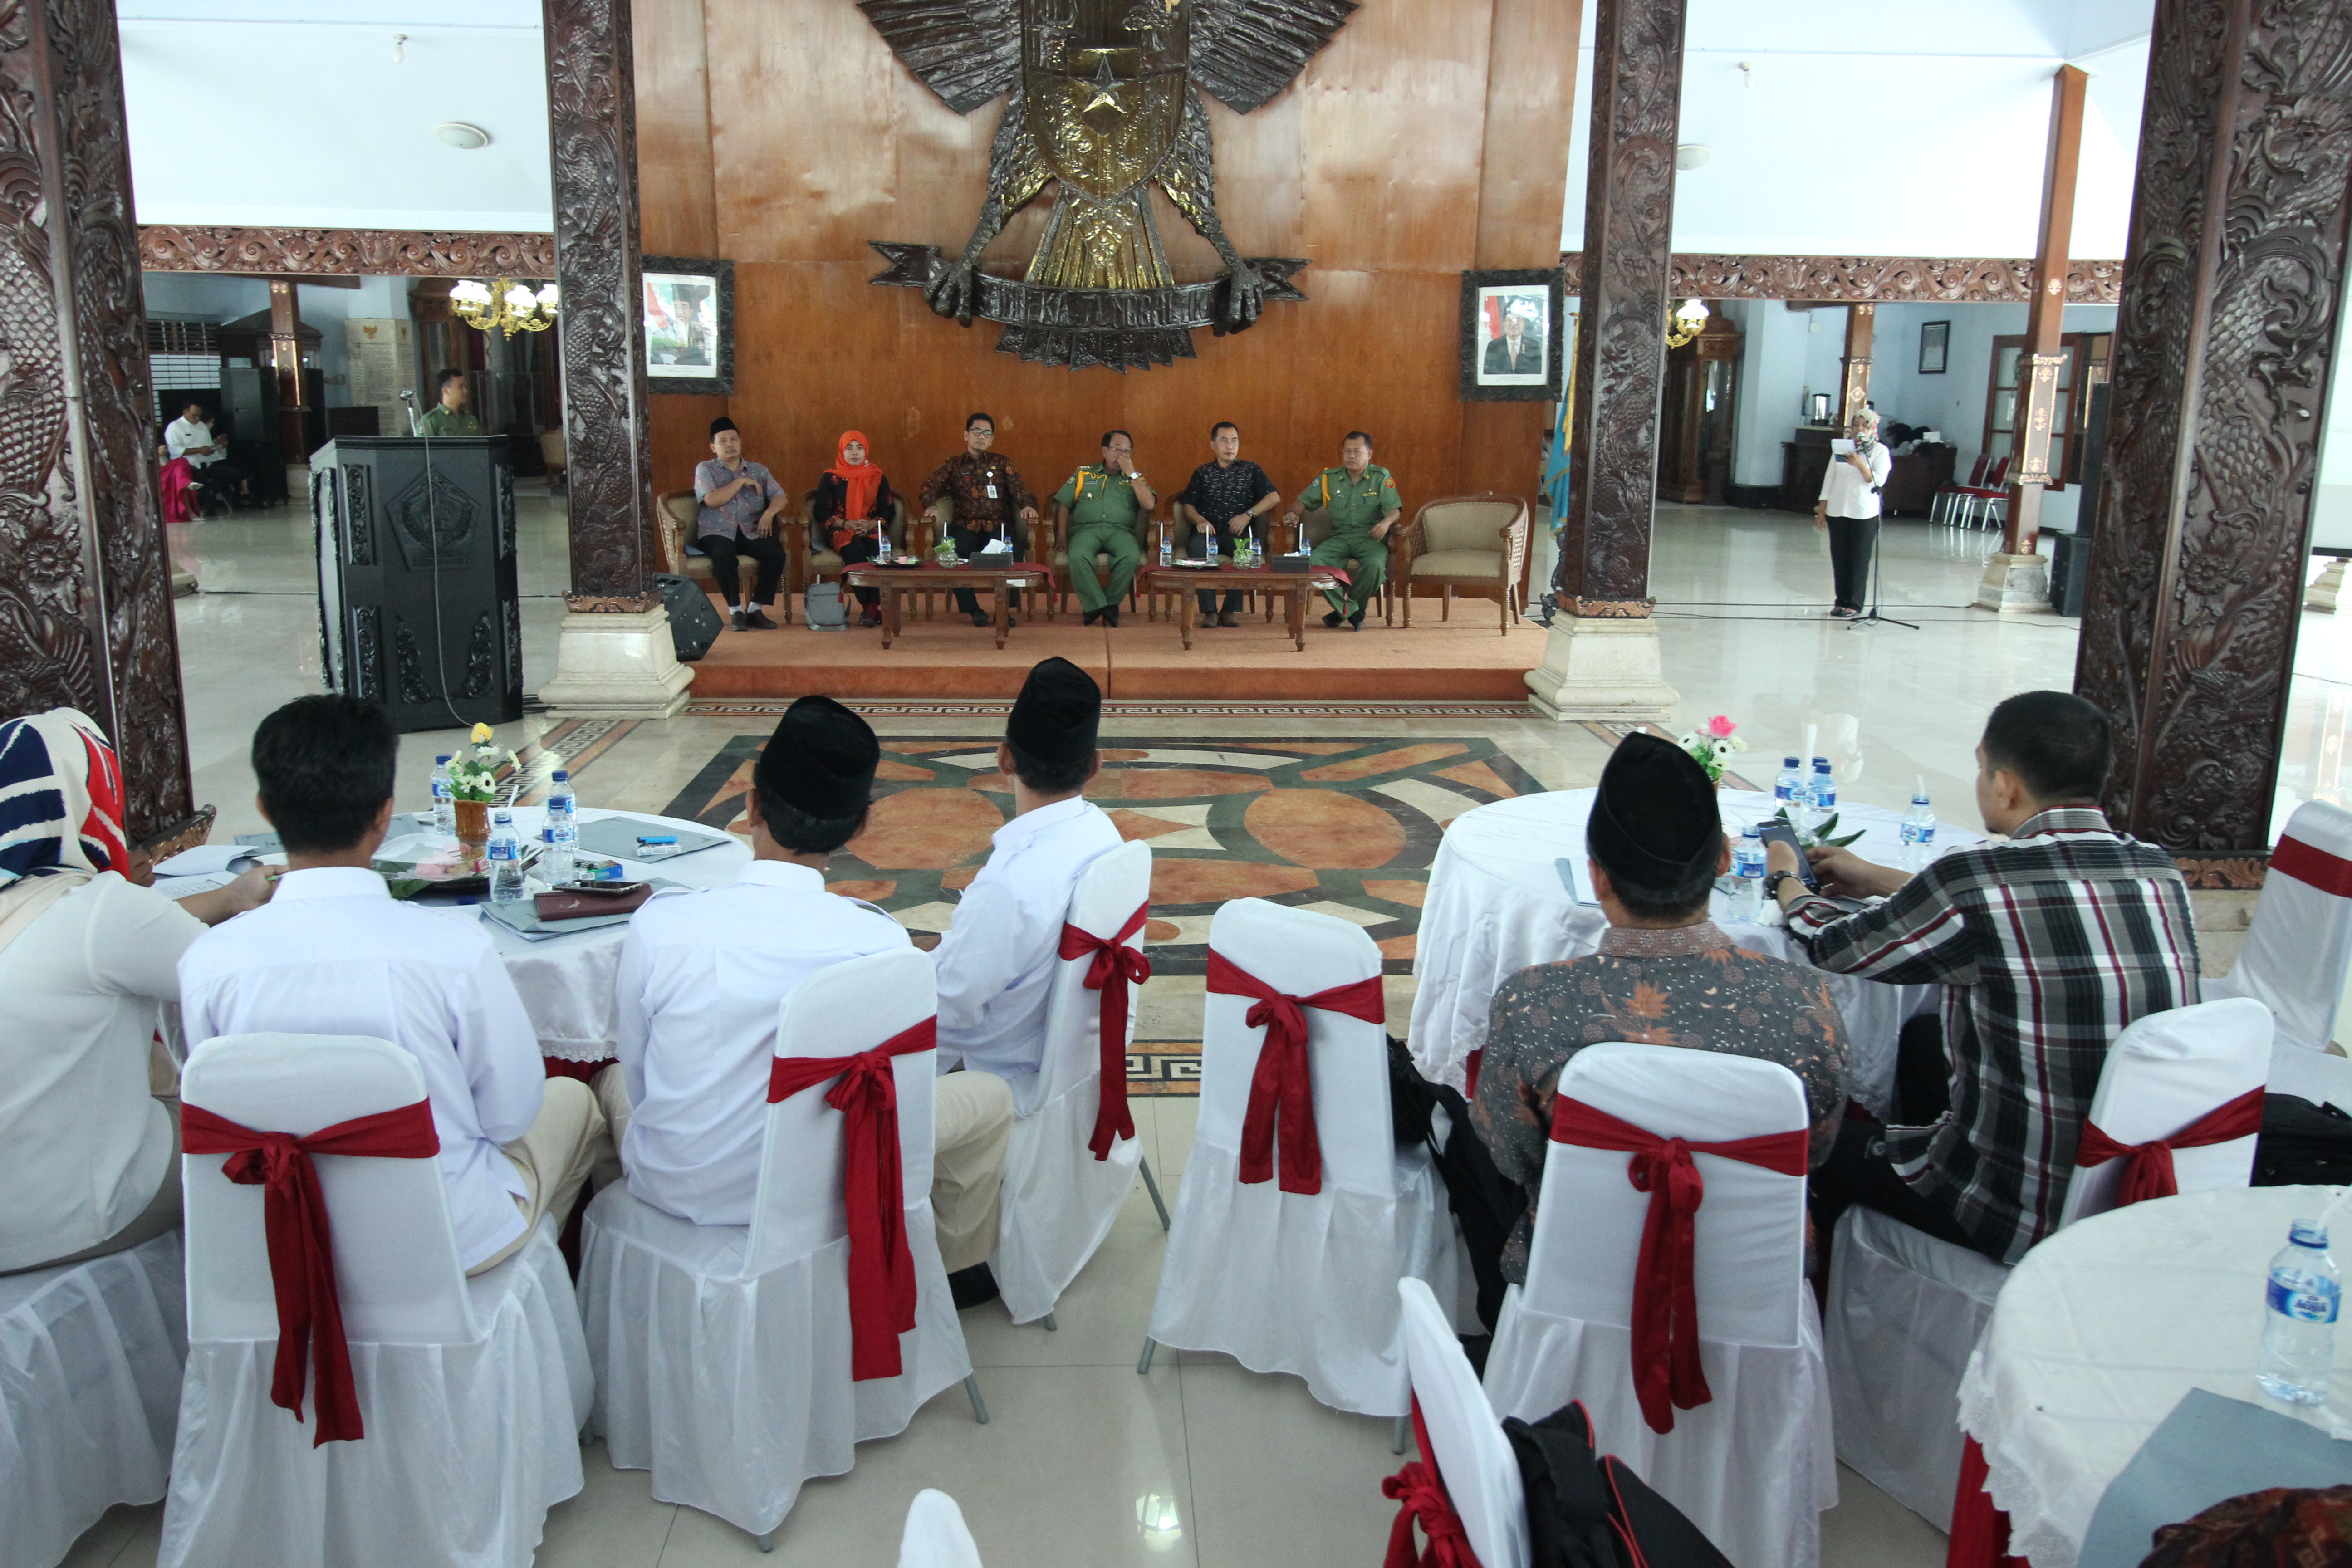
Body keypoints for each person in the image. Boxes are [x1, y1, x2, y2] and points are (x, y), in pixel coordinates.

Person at [1766, 691, 2201, 1265]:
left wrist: (1786, 881)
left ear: (2006, 785)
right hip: (2128, 1190)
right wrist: (1880, 880)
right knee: (1923, 1040)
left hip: (2016, 1211)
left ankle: (1838, 1288)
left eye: (1981, 768)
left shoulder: (1974, 879)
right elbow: (2020, 908)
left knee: (1821, 1145)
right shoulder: (2159, 871)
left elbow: (1834, 946)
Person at [179, 695, 606, 1277]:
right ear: (384, 816)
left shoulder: (207, 963)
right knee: (575, 1103)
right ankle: (526, 1284)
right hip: (444, 1240)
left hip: (278, 1239)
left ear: (264, 809)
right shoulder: (452, 951)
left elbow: (216, 1109)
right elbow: (508, 1117)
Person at [598, 696, 1014, 1274]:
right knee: (990, 1095)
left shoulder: (664, 926)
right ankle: (943, 1273)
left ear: (750, 807)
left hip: (680, 1189)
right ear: (859, 827)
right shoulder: (882, 944)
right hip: (829, 1192)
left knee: (606, 1083)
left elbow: (641, 1077)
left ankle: (612, 1274)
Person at [1470, 733, 1851, 1285]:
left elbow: (1514, 1158)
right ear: (1724, 860)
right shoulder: (1803, 1001)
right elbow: (1814, 1153)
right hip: (1755, 1283)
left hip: (1573, 1275)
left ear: (1598, 877)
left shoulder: (1533, 1002)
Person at [0, 709, 273, 1274]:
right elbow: (237, 984)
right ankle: (250, 1306)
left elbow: (120, 938)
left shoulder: (46, 906)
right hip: (66, 1216)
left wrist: (226, 898)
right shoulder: (100, 911)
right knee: (257, 1119)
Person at [927, 657, 1122, 1303]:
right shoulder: (1103, 835)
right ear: (1095, 767)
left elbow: (948, 1012)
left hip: (1005, 1071)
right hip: (1075, 1056)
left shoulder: (1012, 886)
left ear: (1004, 758)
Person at [918, 412, 1039, 627]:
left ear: (992, 439)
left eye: (987, 433)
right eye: (977, 432)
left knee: (1012, 553)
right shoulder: (954, 465)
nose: (981, 437)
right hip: (965, 527)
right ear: (966, 435)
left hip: (998, 527)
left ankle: (1004, 610)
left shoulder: (1001, 463)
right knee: (953, 554)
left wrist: (1028, 506)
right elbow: (928, 488)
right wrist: (932, 505)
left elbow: (1020, 490)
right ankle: (974, 610)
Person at [1282, 431, 1401, 629]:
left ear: (1369, 454)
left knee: (1375, 566)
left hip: (1371, 538)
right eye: (1347, 451)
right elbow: (1303, 501)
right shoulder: (1329, 478)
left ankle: (1343, 612)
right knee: (1313, 562)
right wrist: (1292, 513)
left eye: (1357, 452)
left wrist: (1386, 523)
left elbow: (1394, 510)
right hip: (1340, 538)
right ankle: (1352, 611)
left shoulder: (1380, 477)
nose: (1351, 456)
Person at [1174, 421, 1280, 627]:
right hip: (1208, 532)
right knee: (1197, 549)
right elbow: (1188, 505)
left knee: (1245, 552)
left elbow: (1274, 497)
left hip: (1237, 532)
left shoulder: (1251, 469)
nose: (1230, 446)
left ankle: (1230, 610)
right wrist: (1199, 520)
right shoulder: (1203, 472)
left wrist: (1248, 515)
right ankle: (1210, 611)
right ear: (1213, 445)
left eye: (1234, 441)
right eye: (1224, 441)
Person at [695, 416, 792, 632]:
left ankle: (755, 609)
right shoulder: (706, 469)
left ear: (740, 442)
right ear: (713, 447)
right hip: (716, 532)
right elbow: (711, 500)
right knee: (724, 555)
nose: (730, 444)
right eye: (723, 441)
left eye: (733, 439)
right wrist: (739, 482)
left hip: (750, 530)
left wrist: (769, 513)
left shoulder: (759, 470)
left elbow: (781, 497)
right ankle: (736, 611)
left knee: (776, 555)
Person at [1051, 430, 1155, 627]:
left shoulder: (1135, 478)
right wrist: (1062, 535)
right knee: (1078, 556)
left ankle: (1101, 605)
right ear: (1105, 451)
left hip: (1121, 532)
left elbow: (1149, 504)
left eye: (1127, 451)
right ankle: (1103, 607)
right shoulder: (1084, 474)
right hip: (1086, 531)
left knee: (1130, 556)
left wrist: (1132, 474)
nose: (1122, 455)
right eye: (1118, 449)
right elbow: (1064, 503)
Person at [811, 430, 899, 627]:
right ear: (842, 451)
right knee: (855, 552)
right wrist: (845, 524)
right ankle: (870, 608)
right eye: (849, 448)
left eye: (859, 448)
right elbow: (820, 510)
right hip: (842, 529)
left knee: (878, 552)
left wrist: (871, 524)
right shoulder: (831, 478)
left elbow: (889, 508)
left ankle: (871, 608)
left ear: (866, 451)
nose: (855, 452)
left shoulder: (877, 476)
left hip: (871, 528)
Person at [1813, 407, 1894, 617]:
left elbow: (1877, 481)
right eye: (1856, 425)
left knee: (1858, 559)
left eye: (1865, 426)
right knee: (1839, 558)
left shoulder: (1879, 452)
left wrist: (1860, 464)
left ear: (1873, 429)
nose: (1859, 430)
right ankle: (1841, 601)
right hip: (1838, 510)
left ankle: (1855, 604)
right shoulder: (1842, 449)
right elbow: (1829, 479)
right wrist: (1822, 508)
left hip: (1864, 512)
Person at [163, 400, 247, 512]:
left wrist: (220, 447)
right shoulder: (175, 427)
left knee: (235, 473)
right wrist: (199, 450)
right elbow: (174, 450)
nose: (197, 418)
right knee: (201, 478)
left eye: (199, 415)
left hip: (206, 464)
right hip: (187, 466)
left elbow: (209, 447)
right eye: (194, 415)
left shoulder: (202, 426)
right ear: (185, 412)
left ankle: (213, 490)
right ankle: (208, 501)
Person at [1483, 298, 1545, 377]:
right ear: (1504, 324)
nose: (1514, 324)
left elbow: (1538, 374)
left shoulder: (1533, 345)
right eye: (1510, 320)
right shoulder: (1493, 346)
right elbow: (1488, 374)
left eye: (1518, 320)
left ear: (1524, 324)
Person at [417, 368, 483, 437]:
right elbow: (425, 444)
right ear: (446, 391)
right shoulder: (430, 421)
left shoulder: (470, 419)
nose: (466, 391)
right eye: (461, 387)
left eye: (465, 387)